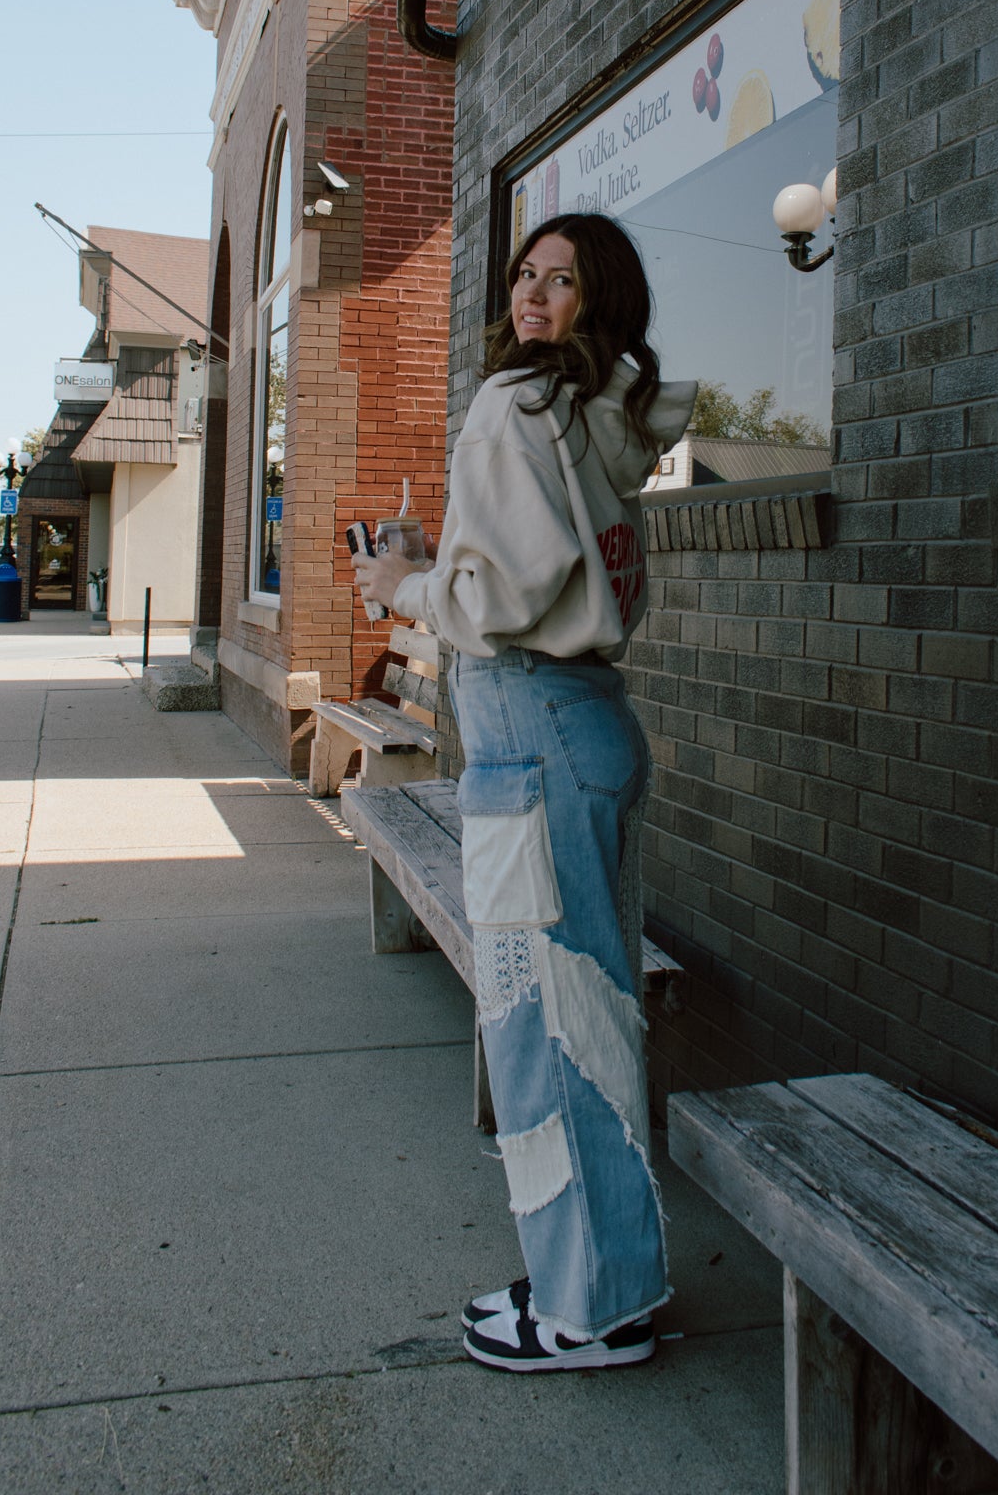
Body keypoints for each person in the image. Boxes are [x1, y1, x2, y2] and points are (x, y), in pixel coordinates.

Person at [351, 211, 695, 1373]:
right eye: (525, 274)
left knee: (547, 1025)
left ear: (602, 300)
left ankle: (586, 1308)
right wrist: (438, 561)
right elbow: (544, 560)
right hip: (587, 725)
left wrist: (401, 580)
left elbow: (496, 600)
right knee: (592, 1014)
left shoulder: (516, 403)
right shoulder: (606, 413)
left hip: (530, 730)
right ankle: (605, 1277)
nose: (534, 296)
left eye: (565, 280)